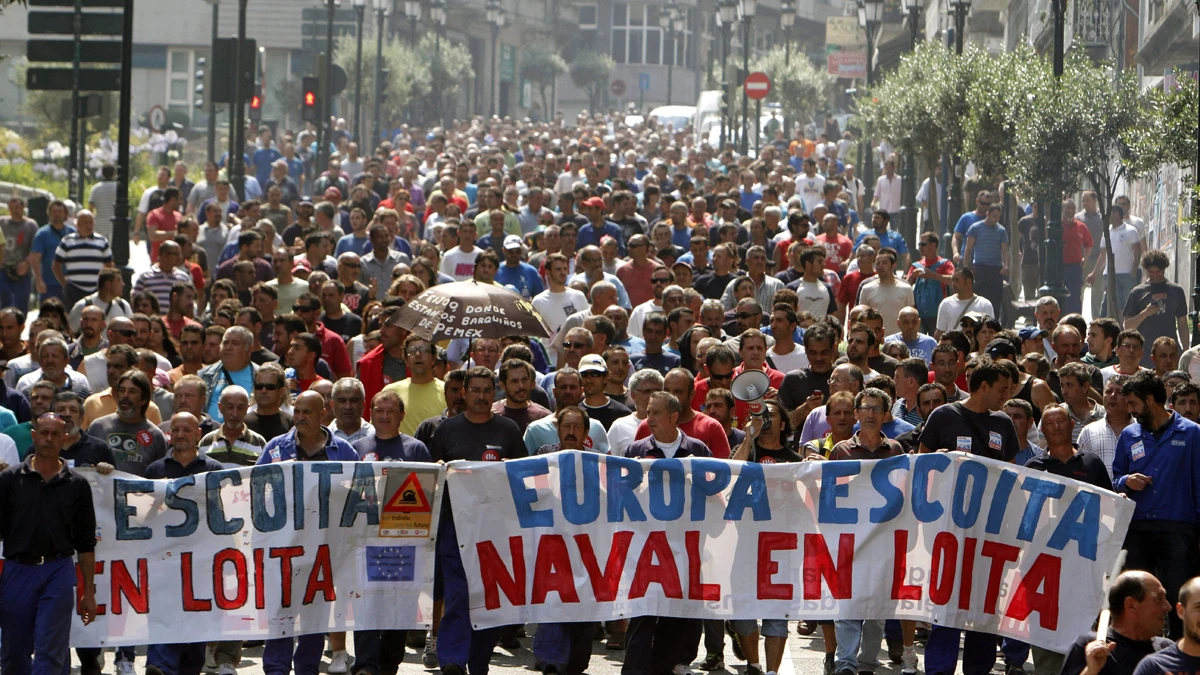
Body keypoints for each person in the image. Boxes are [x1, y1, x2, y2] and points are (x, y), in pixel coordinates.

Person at [429, 367, 527, 675]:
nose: (481, 396)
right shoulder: (446, 430)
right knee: (457, 594)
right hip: (453, 527)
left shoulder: (509, 430)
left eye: (487, 390)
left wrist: (511, 469)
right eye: (475, 390)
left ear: (495, 392)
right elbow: (431, 478)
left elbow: (524, 477)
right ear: (463, 393)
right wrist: (440, 469)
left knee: (488, 598)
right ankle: (453, 661)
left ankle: (479, 660)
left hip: (495, 531)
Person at [0, 412, 100, 675]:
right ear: (33, 436)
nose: (48, 439)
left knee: (50, 650)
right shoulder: (9, 480)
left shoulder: (77, 485)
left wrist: (88, 592)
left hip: (58, 571)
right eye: (43, 433)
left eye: (56, 434)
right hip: (17, 570)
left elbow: (86, 544)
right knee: (13, 651)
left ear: (64, 439)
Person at [621, 391, 709, 675]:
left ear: (674, 416)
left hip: (684, 551)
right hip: (646, 550)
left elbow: (715, 491)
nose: (650, 419)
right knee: (642, 616)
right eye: (648, 412)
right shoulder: (636, 451)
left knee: (674, 618)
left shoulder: (697, 450)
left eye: (656, 413)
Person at [1114, 371, 1200, 638]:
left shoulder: (1192, 433)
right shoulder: (1129, 434)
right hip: (1138, 530)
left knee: (1176, 597)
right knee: (1139, 599)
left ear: (1149, 400)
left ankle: (1180, 653)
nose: (1129, 409)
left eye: (1133, 403)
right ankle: (1140, 657)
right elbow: (1116, 477)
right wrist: (1127, 481)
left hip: (1178, 530)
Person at [142, 411, 224, 675]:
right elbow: (145, 515)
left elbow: (221, 515)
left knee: (193, 637)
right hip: (164, 562)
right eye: (175, 429)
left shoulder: (213, 471)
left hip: (201, 565)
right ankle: (159, 666)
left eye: (187, 430)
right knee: (163, 618)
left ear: (198, 434)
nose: (180, 435)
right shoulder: (154, 470)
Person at [1058, 571, 1172, 675]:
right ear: (1131, 604)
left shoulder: (1168, 650)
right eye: (1158, 599)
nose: (1167, 607)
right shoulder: (1091, 647)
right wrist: (1090, 671)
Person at [1123, 250, 1190, 368]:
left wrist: (1185, 351)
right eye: (1151, 272)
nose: (1154, 275)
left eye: (1158, 272)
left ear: (1164, 269)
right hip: (1146, 354)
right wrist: (1145, 313)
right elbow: (1127, 326)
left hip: (1170, 352)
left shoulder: (1176, 291)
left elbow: (1183, 324)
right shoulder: (1137, 292)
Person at [0, 197, 38, 311]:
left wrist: (26, 263)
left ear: (22, 208)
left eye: (17, 207)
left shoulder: (30, 225)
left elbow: (35, 248)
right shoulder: (2, 222)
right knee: (5, 303)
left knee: (21, 305)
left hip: (22, 271)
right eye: (11, 208)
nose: (14, 211)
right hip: (4, 269)